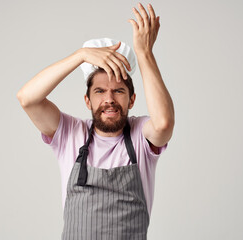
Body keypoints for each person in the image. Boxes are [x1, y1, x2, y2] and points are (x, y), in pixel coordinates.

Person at [17, 3, 174, 239]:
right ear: (87, 101)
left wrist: (144, 53)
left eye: (118, 91)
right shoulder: (70, 133)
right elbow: (27, 98)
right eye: (100, 91)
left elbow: (163, 124)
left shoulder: (141, 134)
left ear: (131, 100)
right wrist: (80, 56)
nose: (109, 99)